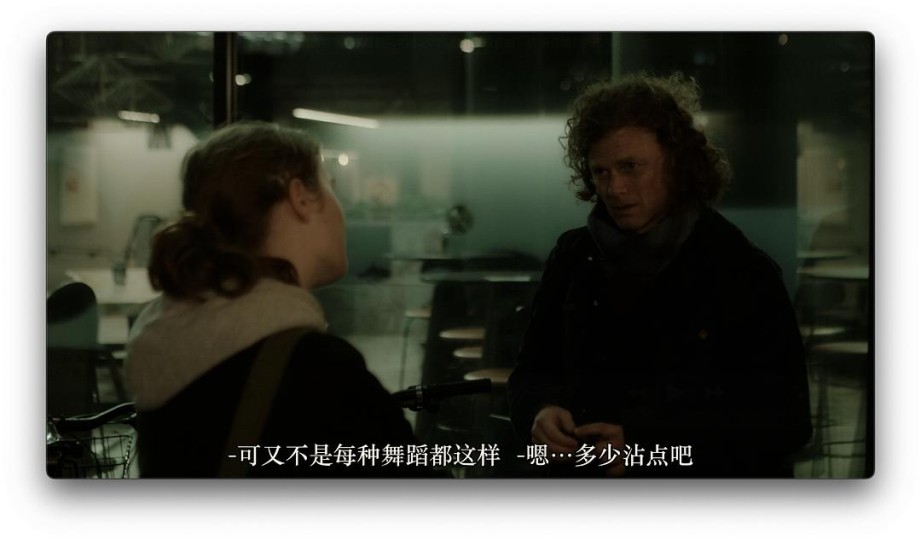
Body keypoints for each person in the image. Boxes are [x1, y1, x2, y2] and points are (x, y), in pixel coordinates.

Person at [507, 73, 813, 478]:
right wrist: (541, 411)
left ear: (676, 164)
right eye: (601, 172)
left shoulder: (738, 268)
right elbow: (531, 371)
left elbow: (785, 420)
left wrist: (647, 445)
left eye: (630, 167)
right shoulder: (574, 256)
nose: (614, 188)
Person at [124, 121, 431, 477]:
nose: (341, 210)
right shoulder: (318, 372)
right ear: (300, 197)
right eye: (331, 187)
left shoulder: (164, 344)